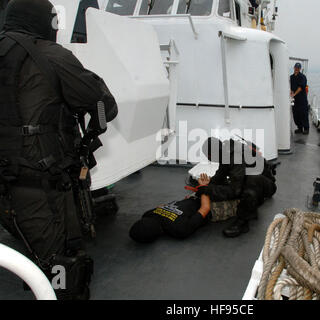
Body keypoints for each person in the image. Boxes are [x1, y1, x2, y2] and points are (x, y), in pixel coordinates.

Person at [0, 0, 118, 300]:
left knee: (30, 251)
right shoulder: (52, 56)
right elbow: (103, 104)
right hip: (41, 181)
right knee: (61, 264)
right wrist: (92, 133)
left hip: (8, 181)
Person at [196, 137, 277, 238]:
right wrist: (204, 187)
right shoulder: (225, 152)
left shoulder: (235, 157)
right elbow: (220, 176)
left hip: (267, 186)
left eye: (208, 157)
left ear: (211, 155)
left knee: (251, 180)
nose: (209, 159)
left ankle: (243, 221)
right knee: (236, 181)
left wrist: (208, 190)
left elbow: (235, 191)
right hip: (254, 179)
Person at [129, 194, 211, 243]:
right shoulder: (149, 214)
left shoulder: (179, 229)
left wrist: (203, 189)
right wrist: (204, 188)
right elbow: (206, 208)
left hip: (195, 198)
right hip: (211, 207)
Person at [290, 62, 309, 135]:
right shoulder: (291, 77)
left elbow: (301, 87)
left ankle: (306, 128)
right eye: (296, 68)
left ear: (300, 69)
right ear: (294, 68)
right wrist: (291, 92)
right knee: (296, 114)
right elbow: (290, 87)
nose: (296, 69)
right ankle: (300, 128)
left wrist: (294, 94)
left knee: (303, 114)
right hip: (295, 100)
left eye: (298, 68)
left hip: (302, 99)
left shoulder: (302, 77)